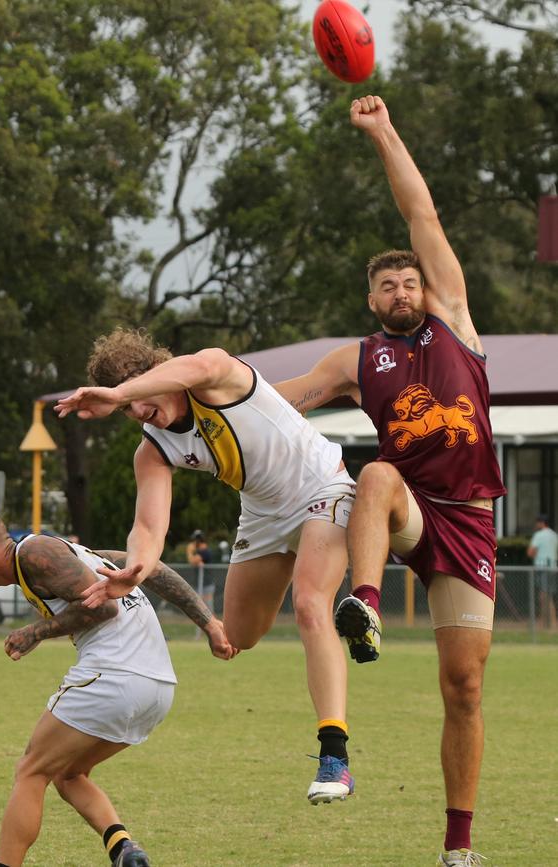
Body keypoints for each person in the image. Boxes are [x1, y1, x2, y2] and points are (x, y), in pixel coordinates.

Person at [273, 96, 506, 867]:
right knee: (374, 471)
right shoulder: (357, 359)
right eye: (389, 287)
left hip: (467, 518)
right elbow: (278, 401)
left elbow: (422, 215)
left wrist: (382, 130)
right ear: (371, 300)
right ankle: (365, 606)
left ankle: (458, 847)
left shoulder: (456, 324)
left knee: (464, 687)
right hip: (404, 510)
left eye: (409, 283)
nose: (403, 292)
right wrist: (189, 395)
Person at [54, 328, 356, 804]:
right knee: (239, 635)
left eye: (138, 393)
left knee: (310, 605)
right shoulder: (153, 449)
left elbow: (197, 365)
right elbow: (149, 528)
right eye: (125, 409)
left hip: (324, 487)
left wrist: (115, 394)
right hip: (262, 514)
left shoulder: (214, 375)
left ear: (160, 370)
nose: (136, 410)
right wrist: (137, 566)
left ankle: (334, 756)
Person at [0, 505, 235, 867]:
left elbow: (103, 610)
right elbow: (150, 569)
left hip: (114, 675)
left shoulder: (35, 552)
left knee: (31, 770)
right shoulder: (74, 554)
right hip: (157, 687)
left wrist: (35, 631)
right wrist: (209, 623)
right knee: (68, 773)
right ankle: (124, 849)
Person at [527, 514, 558, 630]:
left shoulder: (539, 535)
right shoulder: (554, 535)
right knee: (548, 594)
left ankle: (547, 622)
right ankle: (548, 622)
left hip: (542, 567)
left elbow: (531, 552)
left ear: (541, 523)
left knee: (544, 596)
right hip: (553, 567)